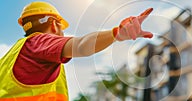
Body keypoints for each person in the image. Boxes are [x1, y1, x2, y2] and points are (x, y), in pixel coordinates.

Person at [0, 1, 153, 101]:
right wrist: (117, 33)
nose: (62, 33)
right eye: (61, 27)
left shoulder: (10, 57)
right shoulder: (40, 42)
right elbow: (81, 45)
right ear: (54, 24)